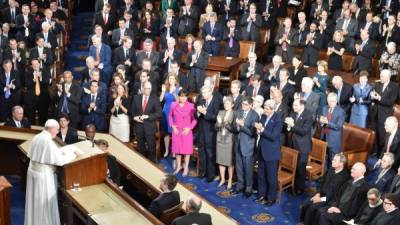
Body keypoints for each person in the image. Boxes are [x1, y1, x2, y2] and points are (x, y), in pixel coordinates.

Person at [24, 119, 79, 225]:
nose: (57, 132)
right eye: (57, 129)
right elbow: (59, 161)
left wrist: (62, 151)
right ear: (52, 129)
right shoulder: (47, 141)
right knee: (44, 204)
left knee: (35, 202)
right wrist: (74, 154)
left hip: (34, 172)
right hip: (43, 177)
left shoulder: (38, 136)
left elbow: (49, 153)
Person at [300, 153, 350, 225]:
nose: (332, 161)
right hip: (320, 194)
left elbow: (335, 196)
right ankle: (302, 222)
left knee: (312, 208)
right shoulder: (331, 169)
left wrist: (321, 199)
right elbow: (321, 181)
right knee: (306, 203)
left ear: (341, 164)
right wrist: (318, 194)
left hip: (328, 200)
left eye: (335, 160)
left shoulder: (344, 178)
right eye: (333, 159)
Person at [255, 99, 283, 206]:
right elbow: (261, 130)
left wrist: (261, 130)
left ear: (273, 109)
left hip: (271, 153)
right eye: (265, 108)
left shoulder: (278, 120)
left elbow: (273, 136)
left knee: (271, 178)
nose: (265, 110)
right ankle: (261, 195)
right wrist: (258, 130)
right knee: (261, 175)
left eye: (267, 109)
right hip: (261, 150)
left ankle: (271, 198)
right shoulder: (263, 116)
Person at [232, 96, 259, 198]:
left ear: (251, 105)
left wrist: (242, 125)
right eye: (243, 104)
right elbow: (234, 127)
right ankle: (240, 185)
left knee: (248, 169)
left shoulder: (255, 115)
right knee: (239, 167)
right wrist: (238, 126)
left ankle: (248, 188)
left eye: (246, 104)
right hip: (238, 143)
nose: (243, 106)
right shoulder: (239, 112)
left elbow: (252, 133)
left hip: (248, 146)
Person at [285, 99, 314, 195]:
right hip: (293, 144)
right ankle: (293, 185)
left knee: (301, 169)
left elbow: (303, 131)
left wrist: (292, 125)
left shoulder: (308, 115)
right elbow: (291, 129)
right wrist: (289, 127)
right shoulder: (293, 114)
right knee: (294, 167)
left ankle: (300, 188)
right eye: (293, 105)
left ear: (302, 106)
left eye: (296, 105)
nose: (294, 107)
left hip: (303, 146)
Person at [131, 81, 162, 162]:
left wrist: (148, 116)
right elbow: (132, 112)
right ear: (142, 88)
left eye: (149, 88)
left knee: (151, 148)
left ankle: (152, 165)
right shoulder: (136, 98)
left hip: (150, 127)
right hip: (139, 127)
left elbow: (159, 113)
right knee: (141, 148)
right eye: (146, 88)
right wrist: (135, 118)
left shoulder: (155, 99)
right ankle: (142, 164)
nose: (148, 90)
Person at [169, 89, 197, 176]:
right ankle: (178, 167)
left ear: (187, 97)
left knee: (186, 151)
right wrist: (172, 126)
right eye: (181, 96)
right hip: (177, 131)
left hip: (186, 132)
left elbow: (195, 120)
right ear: (179, 97)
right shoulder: (173, 105)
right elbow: (170, 116)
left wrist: (189, 128)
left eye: (185, 96)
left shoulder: (191, 106)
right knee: (177, 150)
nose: (183, 98)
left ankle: (186, 168)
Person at [370, 70, 398, 154]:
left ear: (388, 77)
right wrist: (372, 97)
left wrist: (379, 98)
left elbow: (391, 102)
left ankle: (380, 154)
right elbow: (374, 97)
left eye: (382, 76)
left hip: (385, 114)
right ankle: (374, 151)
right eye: (380, 76)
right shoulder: (378, 84)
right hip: (375, 113)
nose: (380, 78)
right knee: (374, 134)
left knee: (382, 136)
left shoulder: (394, 86)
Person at [196, 86, 219, 182]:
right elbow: (197, 116)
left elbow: (216, 117)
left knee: (210, 154)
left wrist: (205, 113)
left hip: (211, 132)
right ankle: (202, 172)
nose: (203, 95)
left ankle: (211, 174)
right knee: (202, 152)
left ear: (210, 92)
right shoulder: (201, 101)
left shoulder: (216, 102)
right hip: (201, 131)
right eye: (202, 93)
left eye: (205, 93)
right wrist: (197, 113)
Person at [319, 93, 346, 168]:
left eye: (333, 101)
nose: (331, 103)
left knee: (332, 161)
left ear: (336, 101)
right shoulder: (325, 108)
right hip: (324, 137)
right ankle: (324, 175)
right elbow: (323, 120)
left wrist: (327, 122)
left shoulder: (341, 112)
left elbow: (338, 126)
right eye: (329, 101)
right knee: (323, 158)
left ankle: (330, 177)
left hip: (334, 140)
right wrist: (321, 122)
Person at [216, 96, 235, 189]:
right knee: (221, 160)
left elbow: (234, 129)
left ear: (232, 105)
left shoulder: (234, 114)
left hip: (229, 140)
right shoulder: (221, 112)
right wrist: (219, 123)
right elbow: (216, 127)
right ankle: (223, 178)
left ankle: (230, 179)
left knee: (229, 162)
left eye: (228, 103)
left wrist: (226, 123)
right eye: (225, 103)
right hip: (220, 139)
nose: (225, 105)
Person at [160, 74, 181, 158]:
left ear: (175, 80)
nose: (171, 80)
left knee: (174, 133)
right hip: (165, 111)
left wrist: (174, 93)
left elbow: (179, 101)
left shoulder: (178, 89)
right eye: (170, 79)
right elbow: (161, 100)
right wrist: (163, 91)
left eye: (173, 79)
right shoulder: (166, 88)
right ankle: (166, 150)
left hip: (174, 112)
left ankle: (174, 151)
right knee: (166, 133)